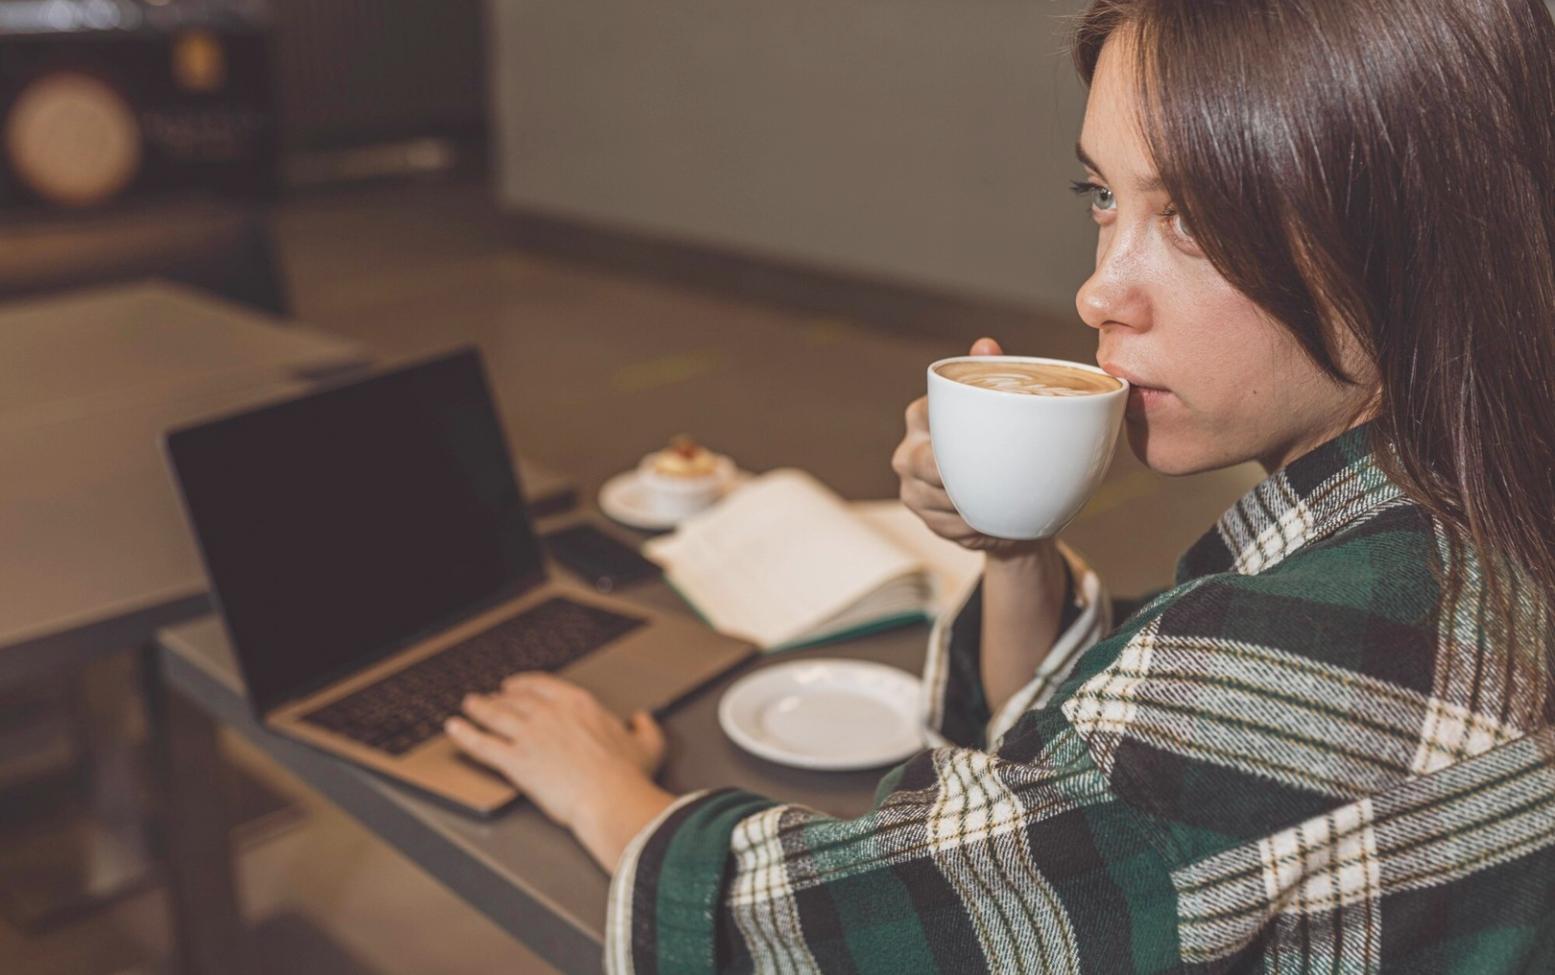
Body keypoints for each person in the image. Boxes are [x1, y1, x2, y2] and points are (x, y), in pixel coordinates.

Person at [445, 0, 1555, 970]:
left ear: (1410, 236)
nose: (1099, 291)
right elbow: (1101, 806)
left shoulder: (1334, 652)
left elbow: (868, 923)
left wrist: (604, 791)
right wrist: (1012, 546)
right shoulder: (1458, 517)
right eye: (1102, 197)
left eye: (1195, 220)